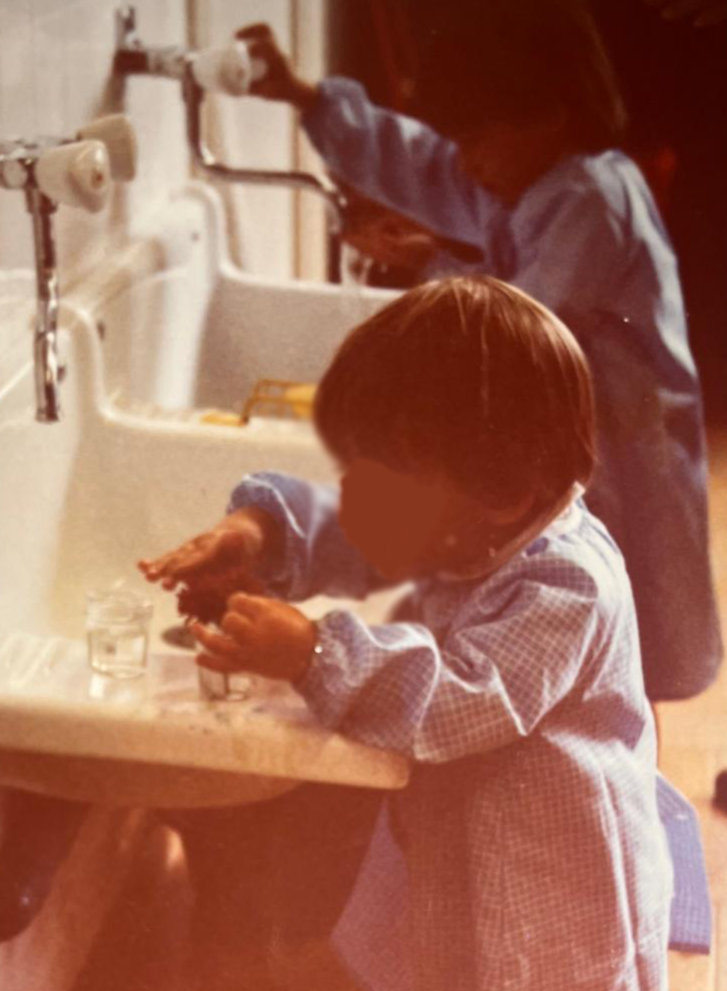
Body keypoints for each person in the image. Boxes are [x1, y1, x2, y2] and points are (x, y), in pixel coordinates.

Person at [141, 276, 675, 991]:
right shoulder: (475, 525)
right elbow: (358, 534)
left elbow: (469, 694)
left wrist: (314, 651)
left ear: (500, 484)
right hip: (498, 870)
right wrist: (260, 530)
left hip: (576, 884)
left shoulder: (565, 579)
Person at [236, 2, 722, 704]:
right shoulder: (527, 173)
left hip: (626, 453)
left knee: (621, 628)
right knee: (578, 632)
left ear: (549, 116)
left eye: (478, 141)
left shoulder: (588, 196)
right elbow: (424, 163)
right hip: (580, 444)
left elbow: (517, 329)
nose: (465, 163)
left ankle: (614, 766)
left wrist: (433, 274)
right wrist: (309, 99)